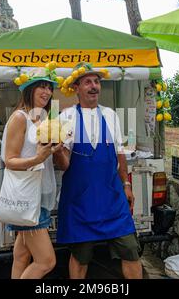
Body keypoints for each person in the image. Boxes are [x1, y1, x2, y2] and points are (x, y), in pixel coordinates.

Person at [53, 62, 142, 279]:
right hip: (80, 199)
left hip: (112, 197)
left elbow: (120, 153)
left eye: (96, 82)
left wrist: (127, 184)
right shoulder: (65, 118)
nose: (94, 86)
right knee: (81, 255)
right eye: (87, 82)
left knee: (130, 250)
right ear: (76, 88)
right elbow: (62, 164)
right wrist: (56, 150)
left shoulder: (111, 114)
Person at [1, 68, 63, 279]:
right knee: (46, 261)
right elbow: (9, 160)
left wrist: (55, 148)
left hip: (38, 198)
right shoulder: (21, 118)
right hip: (29, 200)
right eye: (41, 86)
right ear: (29, 89)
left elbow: (43, 155)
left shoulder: (42, 119)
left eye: (49, 87)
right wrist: (38, 158)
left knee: (21, 255)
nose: (47, 92)